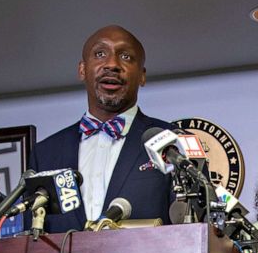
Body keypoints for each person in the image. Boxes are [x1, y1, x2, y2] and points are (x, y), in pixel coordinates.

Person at [33, 25, 173, 233]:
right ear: (82, 70)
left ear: (142, 76)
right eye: (100, 54)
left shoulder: (172, 140)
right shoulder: (44, 153)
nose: (112, 64)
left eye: (126, 57)